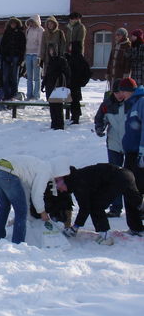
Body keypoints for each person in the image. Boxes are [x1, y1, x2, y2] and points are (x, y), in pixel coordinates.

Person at [58, 162, 144, 244]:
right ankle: (137, 229)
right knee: (137, 202)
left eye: (59, 186)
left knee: (96, 205)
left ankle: (105, 237)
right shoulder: (78, 176)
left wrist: (75, 228)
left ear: (66, 181)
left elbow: (85, 208)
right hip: (127, 174)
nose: (61, 190)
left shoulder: (78, 183)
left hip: (119, 178)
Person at [0, 155, 62, 245]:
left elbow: (26, 194)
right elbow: (37, 195)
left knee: (4, 206)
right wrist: (42, 212)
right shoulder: (46, 171)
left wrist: (16, 218)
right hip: (8, 173)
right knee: (21, 210)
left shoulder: (35, 167)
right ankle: (18, 243)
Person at [94, 79, 132, 218]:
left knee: (131, 178)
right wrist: (99, 128)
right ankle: (116, 207)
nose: (120, 95)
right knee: (115, 177)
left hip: (130, 145)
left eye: (121, 92)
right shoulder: (107, 105)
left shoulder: (132, 103)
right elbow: (99, 119)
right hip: (114, 144)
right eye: (117, 92)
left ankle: (134, 206)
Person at [121, 78, 144, 193]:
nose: (121, 95)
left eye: (123, 91)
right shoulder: (132, 104)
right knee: (129, 188)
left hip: (137, 155)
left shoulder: (141, 102)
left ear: (129, 91)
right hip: (131, 154)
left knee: (135, 189)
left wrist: (142, 151)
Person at [42, 43, 71, 130]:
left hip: (58, 85)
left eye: (52, 50)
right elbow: (47, 74)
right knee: (52, 106)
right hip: (50, 86)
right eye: (50, 50)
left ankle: (59, 125)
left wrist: (64, 82)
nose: (51, 52)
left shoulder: (62, 60)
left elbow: (67, 73)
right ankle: (54, 123)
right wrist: (43, 84)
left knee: (58, 107)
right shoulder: (50, 61)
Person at [0, 17, 26, 101]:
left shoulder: (21, 34)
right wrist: (3, 57)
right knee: (5, 77)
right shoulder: (6, 33)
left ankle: (14, 94)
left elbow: (23, 48)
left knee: (14, 77)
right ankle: (6, 94)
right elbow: (1, 47)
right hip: (6, 57)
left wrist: (20, 59)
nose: (13, 25)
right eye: (11, 23)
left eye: (14, 23)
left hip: (16, 57)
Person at [65, 41, 91, 124]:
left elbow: (87, 72)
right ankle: (74, 116)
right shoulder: (72, 56)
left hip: (75, 83)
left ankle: (76, 117)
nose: (69, 48)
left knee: (75, 101)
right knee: (72, 100)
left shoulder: (79, 58)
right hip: (71, 82)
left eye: (71, 46)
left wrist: (82, 82)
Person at [24, 15, 44, 100]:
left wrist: (39, 56)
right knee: (29, 77)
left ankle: (36, 95)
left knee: (37, 77)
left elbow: (41, 43)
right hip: (28, 54)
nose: (31, 23)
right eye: (30, 21)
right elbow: (26, 42)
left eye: (32, 21)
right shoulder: (28, 30)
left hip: (36, 55)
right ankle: (29, 94)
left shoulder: (41, 30)